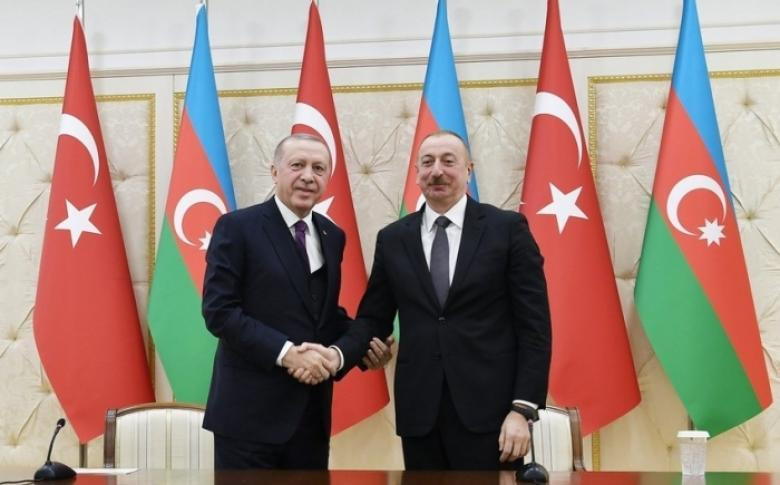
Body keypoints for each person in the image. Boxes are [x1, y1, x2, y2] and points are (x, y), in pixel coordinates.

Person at [356, 130, 552, 470]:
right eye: (427, 162)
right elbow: (373, 318)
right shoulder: (393, 238)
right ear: (416, 173)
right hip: (420, 414)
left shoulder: (507, 229)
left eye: (448, 161)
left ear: (468, 170)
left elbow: (535, 327)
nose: (437, 171)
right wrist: (355, 351)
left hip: (492, 414)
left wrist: (522, 409)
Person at [201, 133, 367, 469]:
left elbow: (322, 314)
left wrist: (365, 343)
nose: (308, 176)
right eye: (297, 165)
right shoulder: (238, 227)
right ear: (275, 171)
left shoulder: (332, 235)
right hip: (247, 418)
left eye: (319, 168)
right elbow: (220, 311)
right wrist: (287, 354)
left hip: (311, 418)